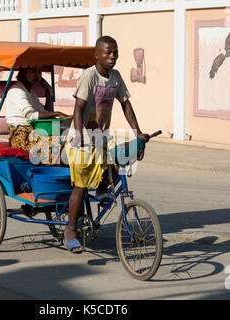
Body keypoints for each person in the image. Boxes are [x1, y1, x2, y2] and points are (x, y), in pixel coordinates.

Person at [64, 36, 150, 253]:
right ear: (97, 55)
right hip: (81, 140)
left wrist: (137, 131)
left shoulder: (116, 77)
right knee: (81, 187)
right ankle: (71, 231)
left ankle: (103, 191)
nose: (112, 56)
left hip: (101, 137)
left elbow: (125, 104)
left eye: (115, 52)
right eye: (108, 52)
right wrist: (78, 134)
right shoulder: (89, 76)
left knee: (113, 165)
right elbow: (78, 108)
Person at [5, 66, 72, 160]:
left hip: (35, 131)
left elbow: (45, 113)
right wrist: (57, 113)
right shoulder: (17, 91)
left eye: (39, 72)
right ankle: (54, 171)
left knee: (69, 139)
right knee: (56, 145)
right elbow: (31, 115)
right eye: (33, 72)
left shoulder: (31, 92)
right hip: (20, 136)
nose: (37, 75)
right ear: (24, 73)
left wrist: (48, 92)